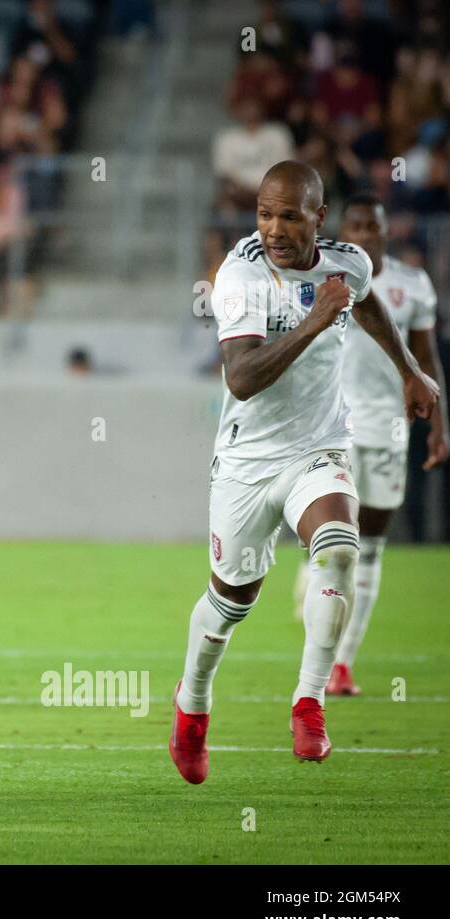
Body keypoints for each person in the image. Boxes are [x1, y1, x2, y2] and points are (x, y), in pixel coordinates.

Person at [169, 161, 439, 784]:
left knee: (341, 549)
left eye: (290, 216)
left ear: (319, 217)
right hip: (246, 459)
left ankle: (310, 701)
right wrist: (317, 319)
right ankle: (193, 705)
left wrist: (407, 370)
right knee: (232, 602)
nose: (274, 228)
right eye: (265, 214)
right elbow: (241, 375)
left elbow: (365, 307)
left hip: (318, 447)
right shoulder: (239, 276)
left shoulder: (348, 264)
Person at [290, 195, 447, 694]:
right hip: (331, 426)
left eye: (372, 227)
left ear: (385, 231)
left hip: (388, 430)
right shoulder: (322, 277)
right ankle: (321, 624)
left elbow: (425, 359)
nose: (364, 234)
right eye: (355, 226)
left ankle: (343, 662)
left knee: (371, 545)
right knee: (336, 538)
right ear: (342, 229)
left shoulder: (411, 284)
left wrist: (440, 423)